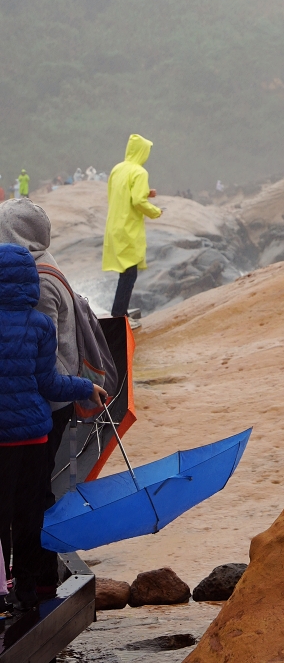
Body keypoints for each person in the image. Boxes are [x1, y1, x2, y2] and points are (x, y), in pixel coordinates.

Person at [0, 243, 106, 612]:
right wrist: (86, 387)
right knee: (29, 514)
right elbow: (50, 383)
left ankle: (0, 591)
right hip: (33, 436)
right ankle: (27, 592)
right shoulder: (40, 325)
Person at [0, 198, 84, 597]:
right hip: (39, 410)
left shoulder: (38, 280)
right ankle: (35, 579)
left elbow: (38, 364)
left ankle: (33, 580)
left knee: (31, 499)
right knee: (33, 498)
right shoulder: (39, 268)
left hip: (40, 408)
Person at [102, 134, 162, 318]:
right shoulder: (140, 172)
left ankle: (119, 313)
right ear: (142, 152)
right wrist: (155, 211)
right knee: (129, 274)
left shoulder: (117, 169)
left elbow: (119, 192)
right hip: (129, 228)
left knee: (126, 272)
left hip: (114, 226)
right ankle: (119, 316)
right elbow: (137, 201)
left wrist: (147, 193)